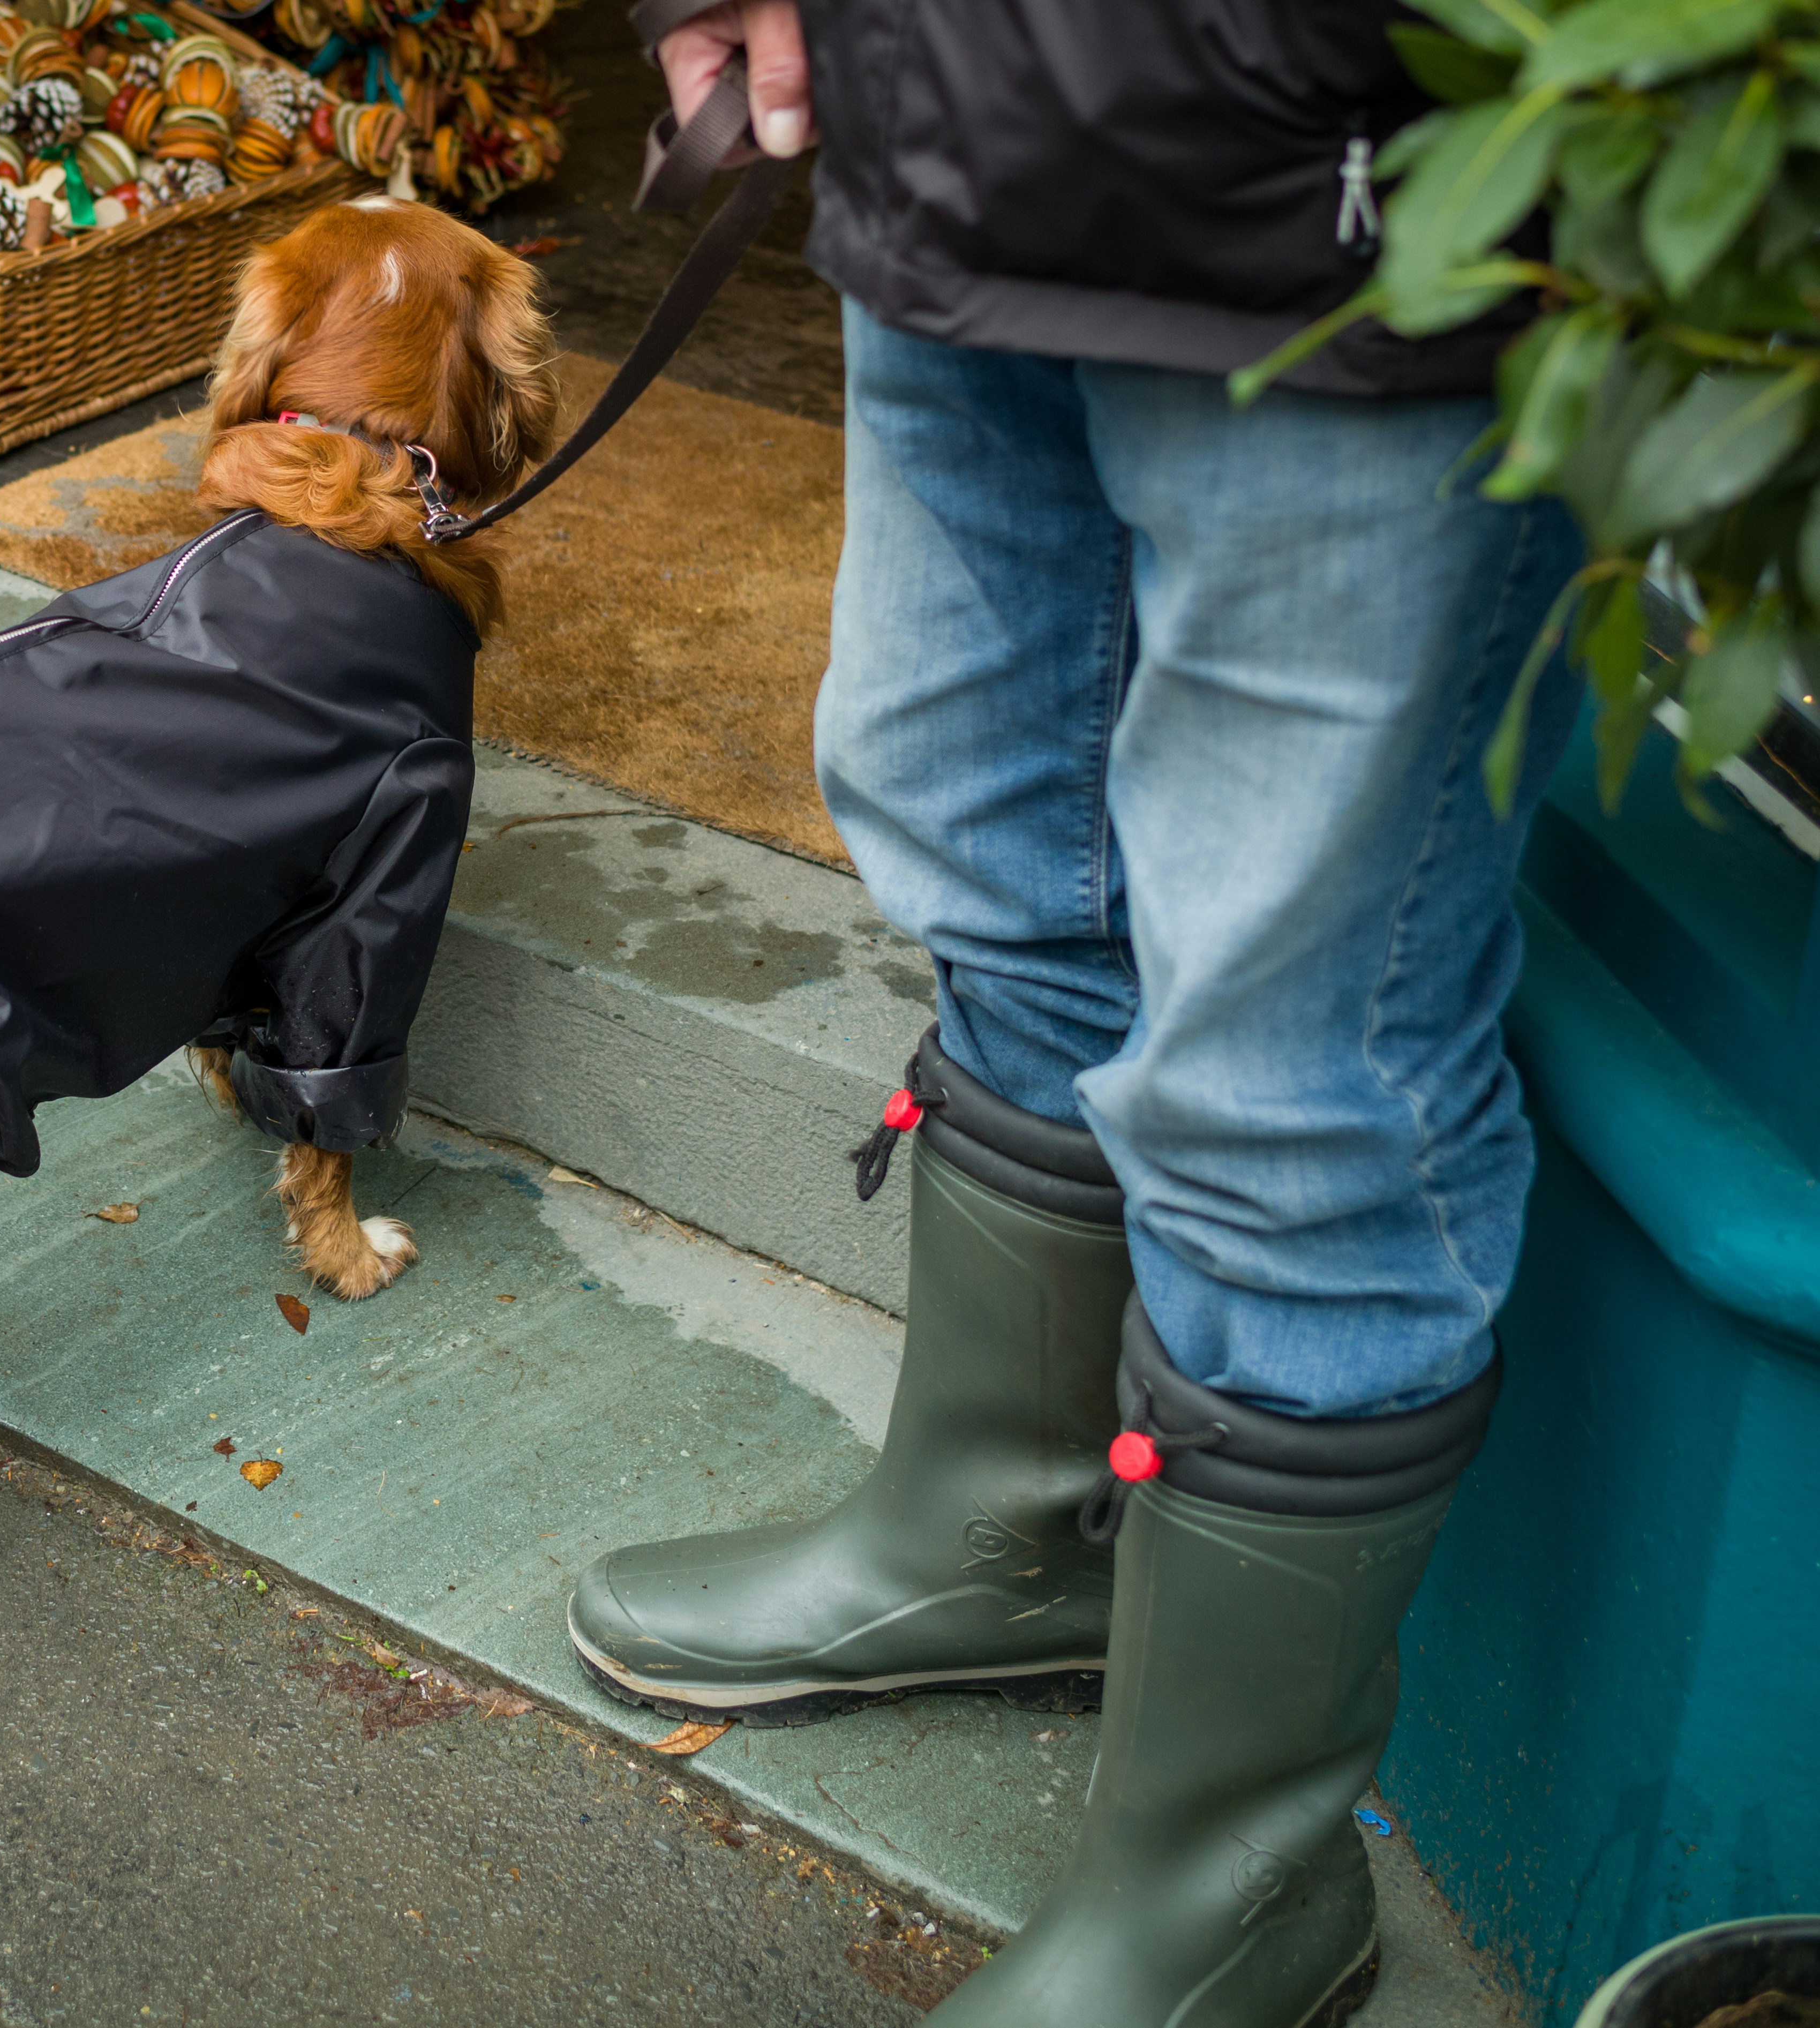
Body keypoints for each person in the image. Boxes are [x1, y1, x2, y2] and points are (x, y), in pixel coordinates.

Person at [560, 5, 1581, 2021]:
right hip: (947, 117)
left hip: (1371, 198)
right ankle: (1008, 1542)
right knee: (990, 845)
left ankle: (1231, 1894)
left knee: (1298, 1066)